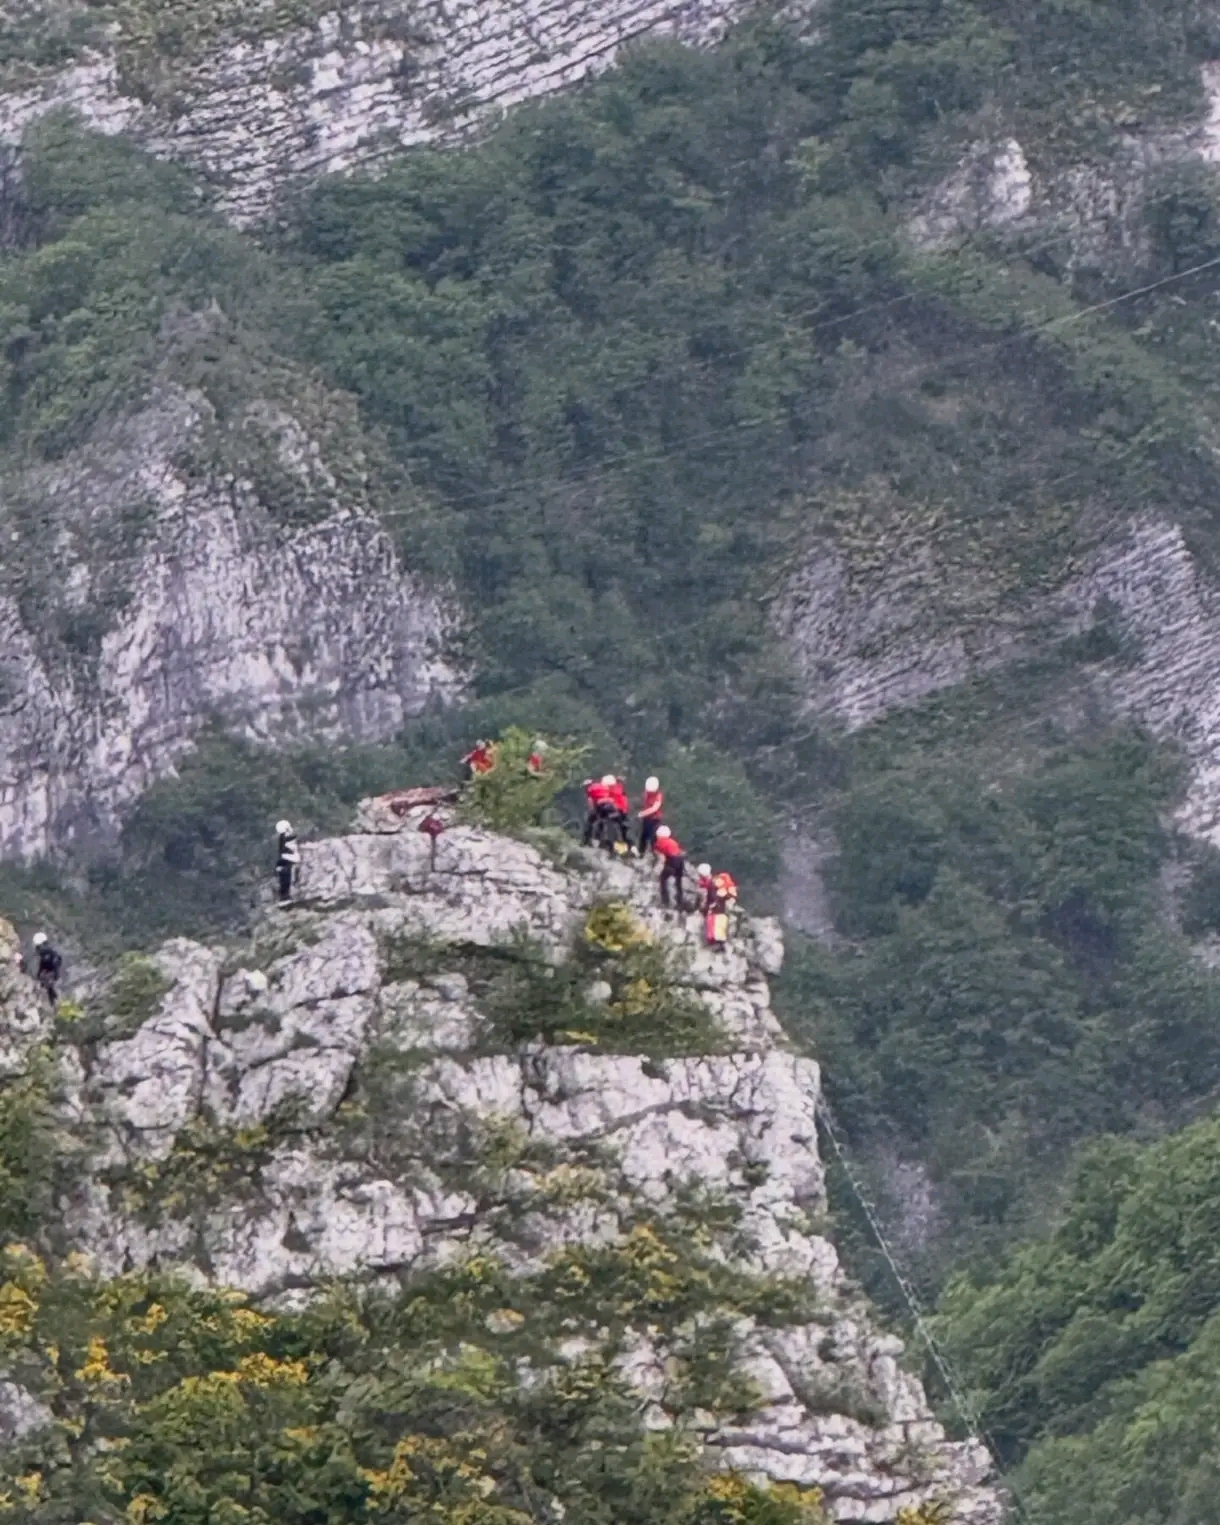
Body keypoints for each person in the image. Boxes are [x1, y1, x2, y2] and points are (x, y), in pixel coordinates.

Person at [654, 826, 687, 910]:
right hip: (680, 861)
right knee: (678, 882)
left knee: (663, 879)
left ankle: (665, 901)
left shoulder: (659, 843)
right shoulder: (673, 842)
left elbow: (661, 857)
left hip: (672, 862)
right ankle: (680, 901)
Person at [705, 869, 739, 951]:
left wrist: (711, 905)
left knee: (717, 923)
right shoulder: (723, 884)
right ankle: (718, 941)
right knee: (718, 923)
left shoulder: (720, 888)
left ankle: (718, 942)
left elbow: (730, 896)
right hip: (721, 908)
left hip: (720, 909)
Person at [31, 933, 61, 1006]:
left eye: (37, 947)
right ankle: (52, 996)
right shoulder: (48, 951)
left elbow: (45, 964)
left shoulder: (46, 953)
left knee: (48, 983)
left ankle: (52, 999)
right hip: (51, 968)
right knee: (47, 981)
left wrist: (55, 974)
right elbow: (43, 964)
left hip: (52, 969)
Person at [276, 819, 301, 903]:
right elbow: (283, 849)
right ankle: (284, 898)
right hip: (285, 862)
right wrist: (290, 851)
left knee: (285, 881)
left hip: (284, 862)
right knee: (285, 881)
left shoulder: (284, 838)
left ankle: (285, 898)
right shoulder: (283, 838)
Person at [638, 776, 664, 856]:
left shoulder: (658, 795)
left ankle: (654, 853)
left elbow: (655, 808)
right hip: (646, 818)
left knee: (653, 837)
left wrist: (643, 813)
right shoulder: (646, 793)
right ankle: (641, 852)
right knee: (644, 835)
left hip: (655, 819)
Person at [582, 777, 611, 845]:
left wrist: (592, 810)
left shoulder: (590, 789)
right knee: (603, 822)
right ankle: (603, 841)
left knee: (590, 822)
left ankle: (586, 840)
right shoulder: (601, 785)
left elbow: (590, 801)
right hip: (610, 805)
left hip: (600, 805)